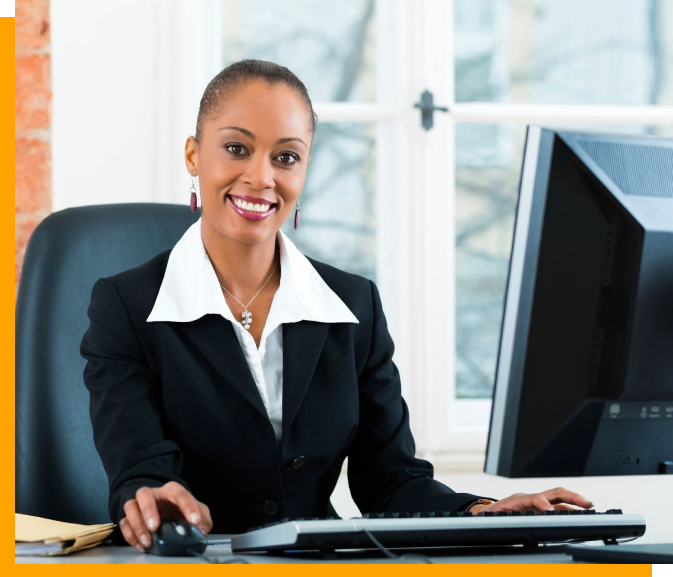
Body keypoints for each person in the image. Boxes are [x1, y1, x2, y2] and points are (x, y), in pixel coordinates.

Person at [80, 59, 593, 553]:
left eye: (286, 157)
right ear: (193, 155)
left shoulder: (352, 307)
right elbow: (141, 471)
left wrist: (485, 513)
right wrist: (156, 503)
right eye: (236, 148)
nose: (261, 177)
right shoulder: (126, 306)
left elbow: (391, 484)